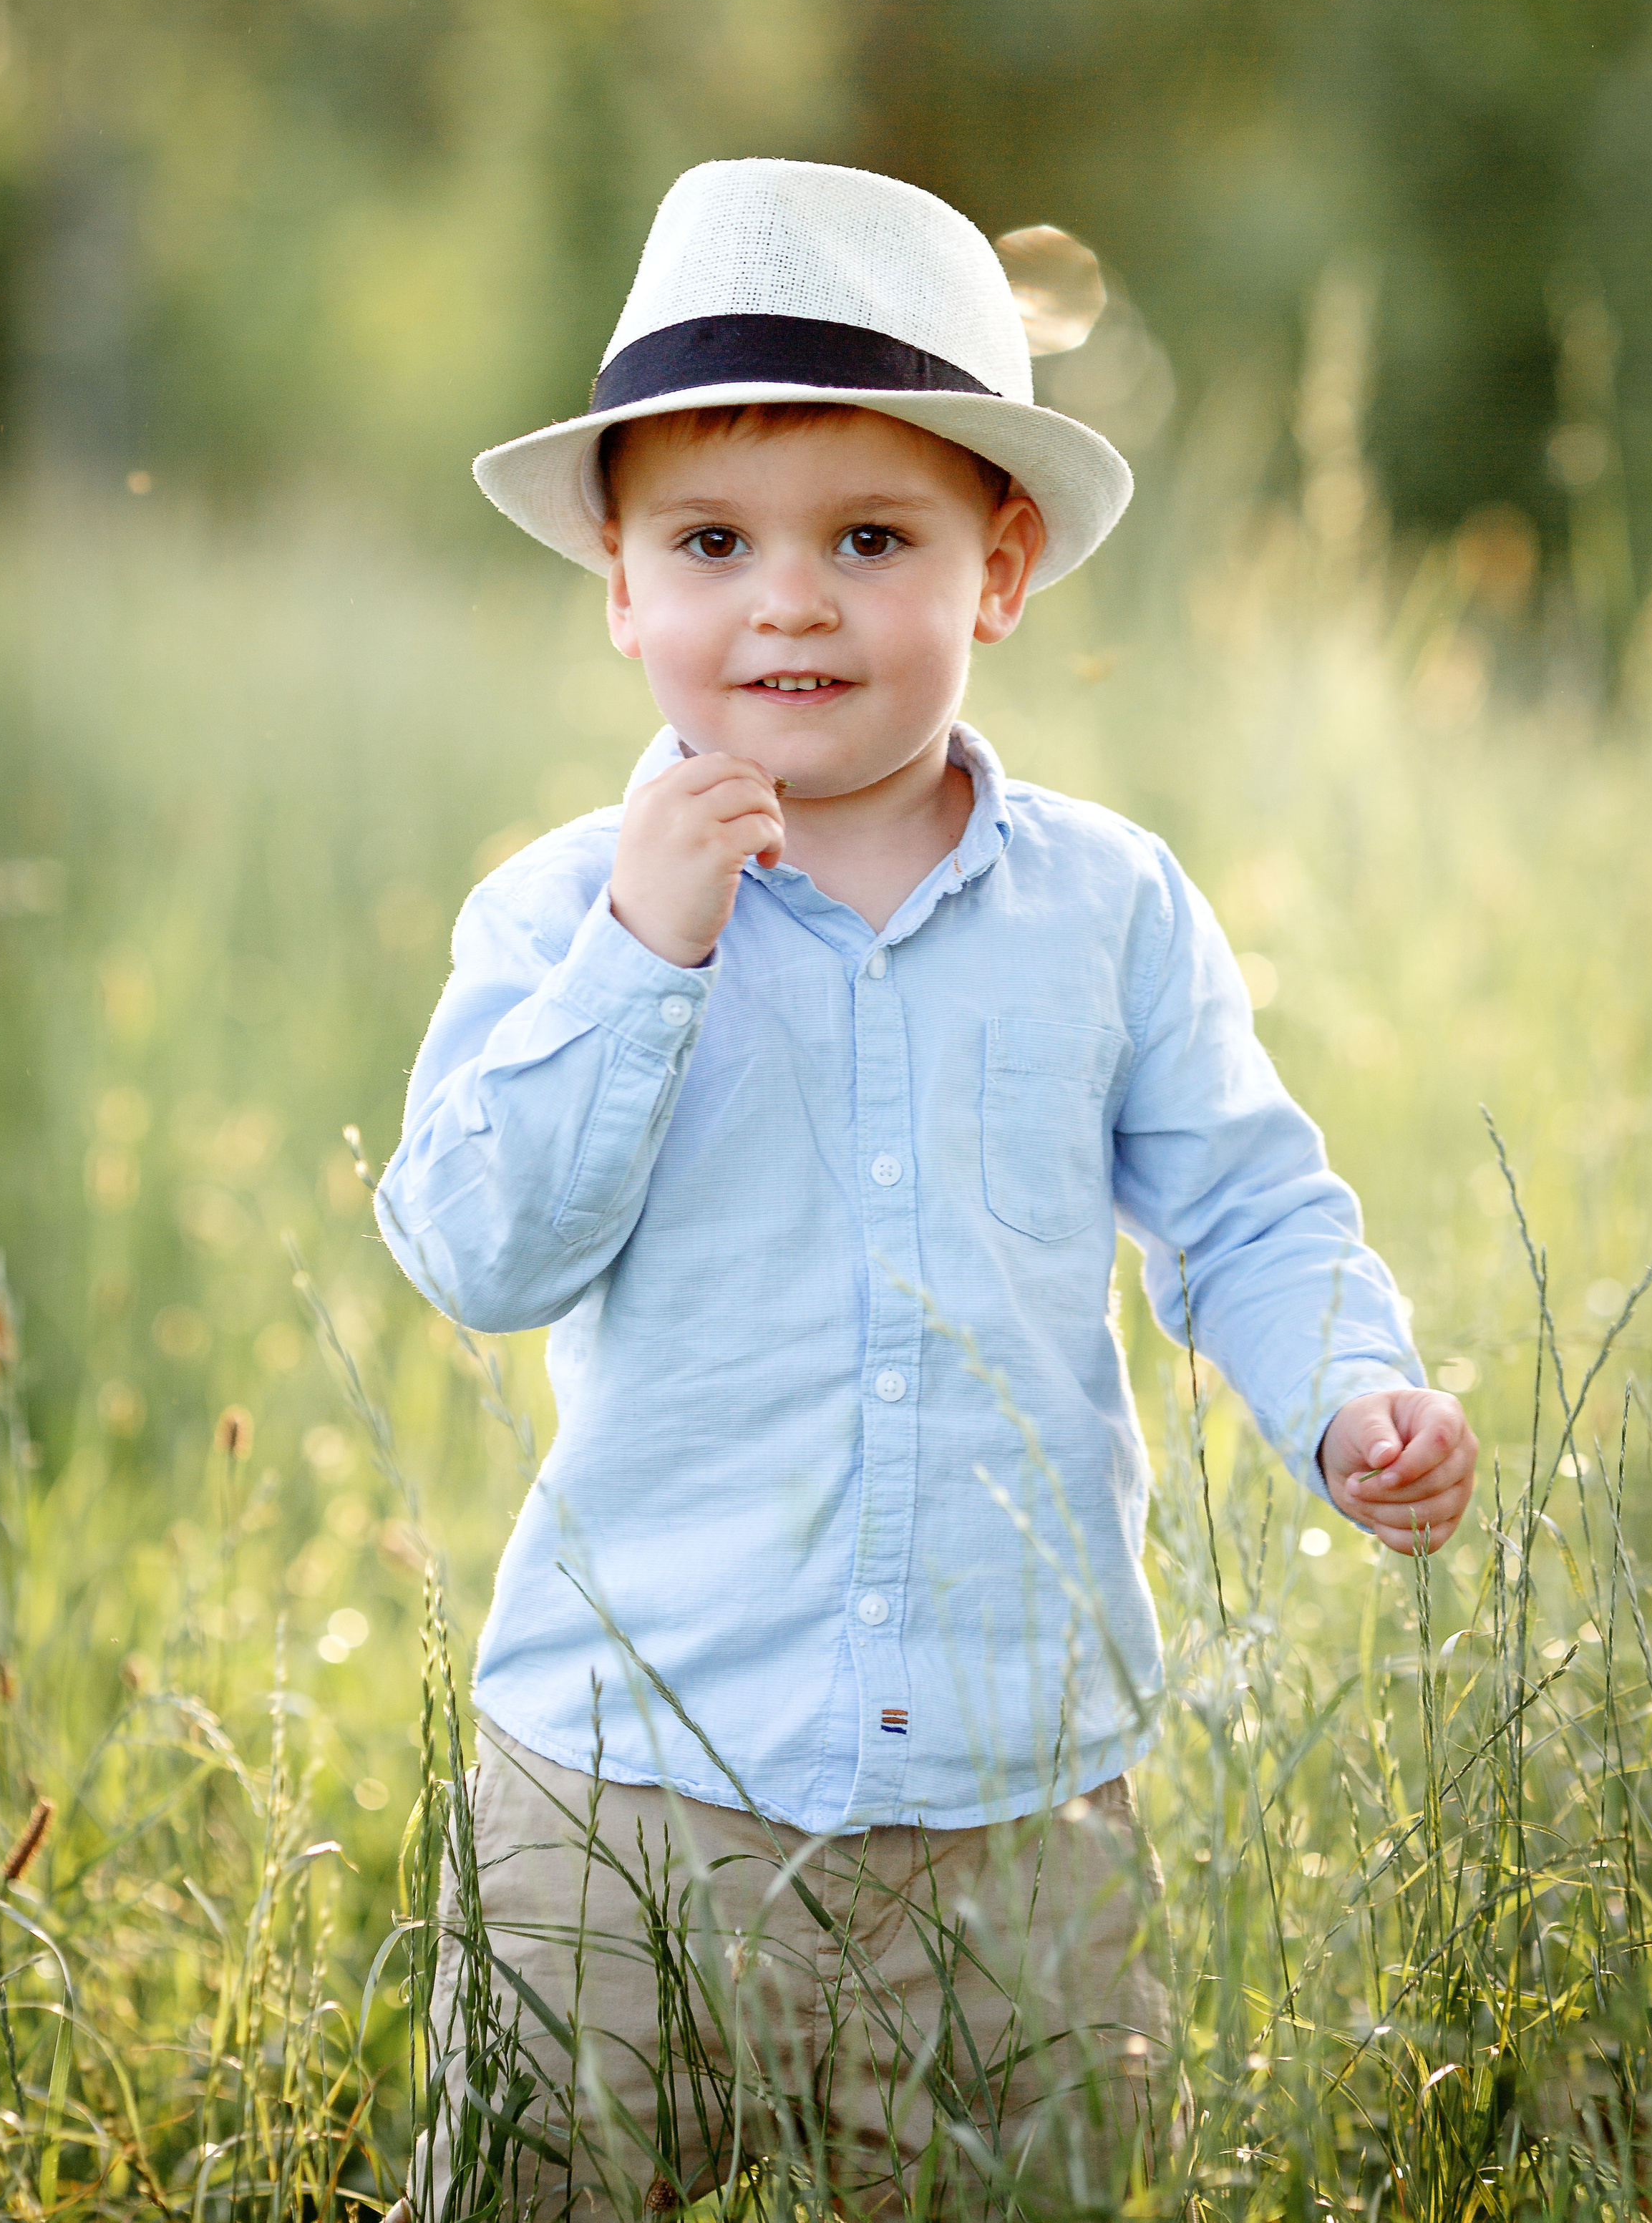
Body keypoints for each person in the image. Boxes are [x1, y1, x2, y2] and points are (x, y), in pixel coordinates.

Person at [375, 160, 1477, 2219]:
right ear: (621, 587)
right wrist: (647, 956)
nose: (788, 601)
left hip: (1010, 1803)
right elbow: (474, 1254)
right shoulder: (559, 916)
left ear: (1001, 568)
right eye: (713, 542)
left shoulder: (1110, 907)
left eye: (869, 538)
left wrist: (1349, 1393)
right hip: (620, 1791)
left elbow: (1245, 1202)